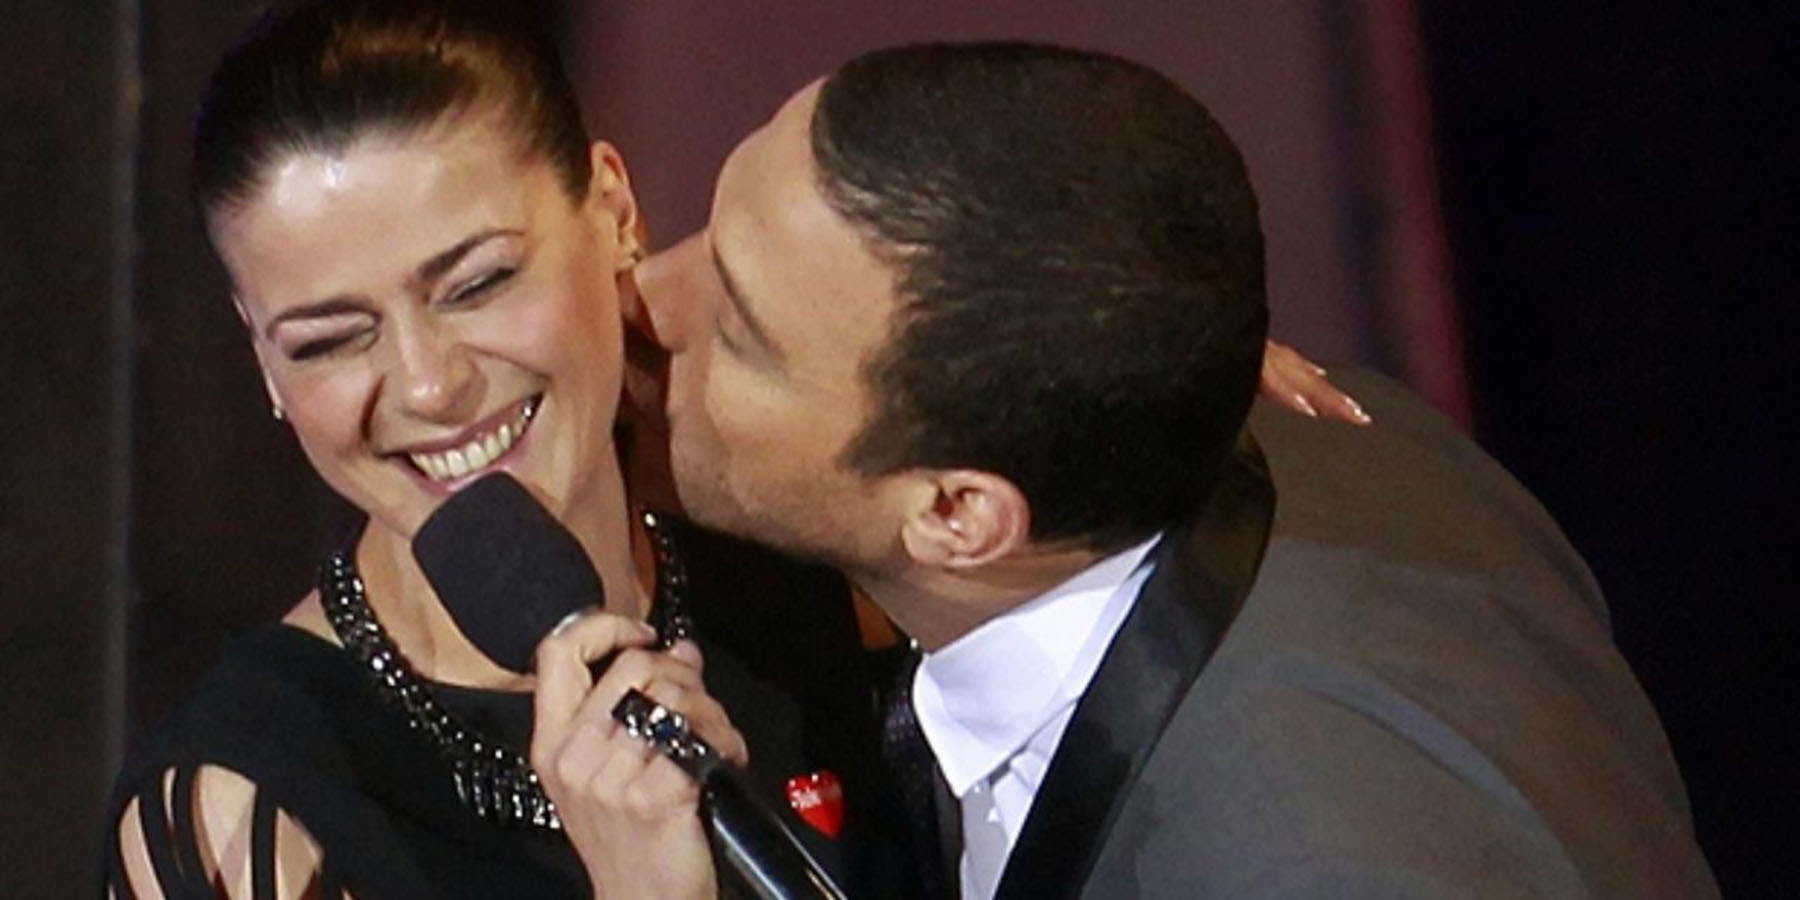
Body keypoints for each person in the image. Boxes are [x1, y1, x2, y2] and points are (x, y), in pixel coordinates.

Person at [104, 4, 1351, 897]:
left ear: (611, 210)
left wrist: (1127, 372)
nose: (427, 385)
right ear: (261, 357)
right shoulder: (245, 817)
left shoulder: (810, 554)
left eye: (478, 282)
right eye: (330, 339)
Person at [539, 42, 1723, 899]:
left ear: (958, 514)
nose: (644, 297)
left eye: (741, 331)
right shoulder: (1270, 424)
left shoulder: (1291, 859)